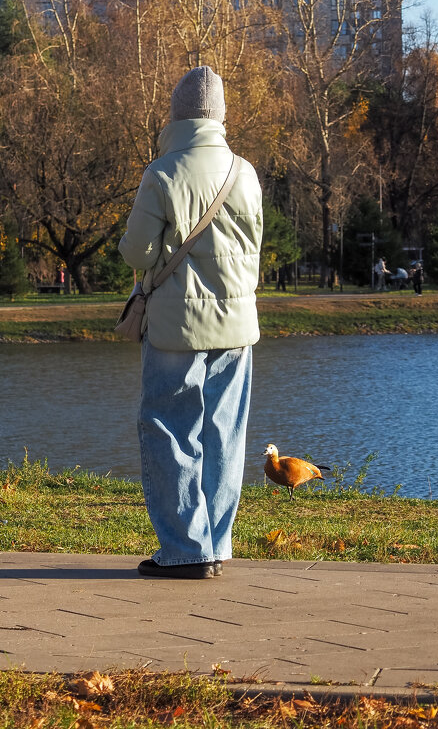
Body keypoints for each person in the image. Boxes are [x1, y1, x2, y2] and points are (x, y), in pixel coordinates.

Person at [118, 66, 263, 580]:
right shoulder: (245, 173)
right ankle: (216, 545)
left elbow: (136, 251)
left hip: (177, 325)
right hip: (238, 324)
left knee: (170, 429)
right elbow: (253, 250)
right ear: (220, 116)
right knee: (226, 433)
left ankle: (184, 549)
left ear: (176, 115)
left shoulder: (161, 173)